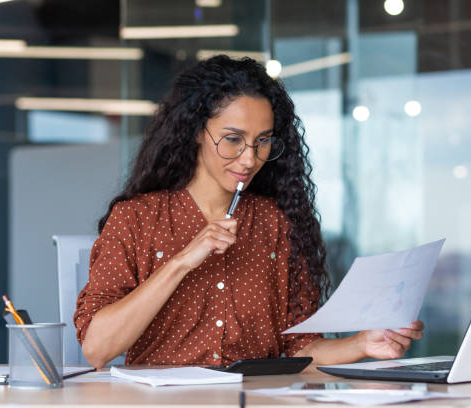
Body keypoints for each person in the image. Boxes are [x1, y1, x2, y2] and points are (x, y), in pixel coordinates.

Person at [74, 55, 424, 370]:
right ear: (196, 132)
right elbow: (98, 349)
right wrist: (181, 262)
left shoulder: (277, 222)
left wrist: (363, 343)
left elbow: (300, 350)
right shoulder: (136, 219)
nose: (249, 158)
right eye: (232, 140)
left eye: (263, 141)